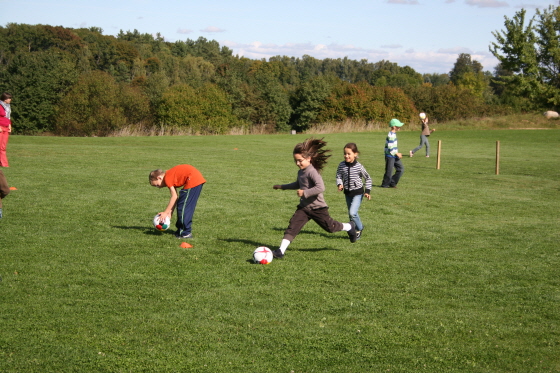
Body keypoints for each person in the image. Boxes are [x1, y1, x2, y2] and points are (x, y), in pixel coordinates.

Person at [272, 137, 358, 259]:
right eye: (295, 161)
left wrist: (305, 193)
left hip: (318, 208)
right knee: (293, 227)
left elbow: (321, 187)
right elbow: (298, 184)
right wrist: (282, 187)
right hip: (304, 208)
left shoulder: (312, 172)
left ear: (308, 158)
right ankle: (280, 251)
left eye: (300, 161)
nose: (297, 163)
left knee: (330, 228)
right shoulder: (301, 172)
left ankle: (349, 226)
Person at [149, 165, 206, 239]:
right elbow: (175, 198)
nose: (158, 187)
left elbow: (174, 197)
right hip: (194, 180)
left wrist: (165, 212)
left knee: (184, 208)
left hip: (193, 181)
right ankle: (180, 231)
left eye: (157, 185)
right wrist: (170, 214)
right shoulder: (169, 176)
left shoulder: (167, 178)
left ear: (159, 178)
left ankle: (185, 233)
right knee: (181, 205)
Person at [336, 143, 372, 240]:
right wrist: (339, 184)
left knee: (353, 213)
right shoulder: (341, 165)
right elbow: (339, 175)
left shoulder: (359, 166)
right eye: (345, 153)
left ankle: (359, 228)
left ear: (355, 154)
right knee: (350, 214)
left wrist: (367, 191)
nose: (346, 156)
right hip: (347, 193)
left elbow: (368, 178)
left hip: (358, 193)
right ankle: (355, 232)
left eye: (349, 154)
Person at [380, 119, 405, 188]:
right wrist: (397, 153)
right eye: (398, 126)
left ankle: (392, 182)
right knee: (389, 171)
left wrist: (396, 154)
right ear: (394, 126)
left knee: (401, 169)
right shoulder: (390, 135)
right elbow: (390, 147)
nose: (399, 127)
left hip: (394, 155)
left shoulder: (394, 134)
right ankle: (385, 184)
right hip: (390, 156)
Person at [0, 92, 13, 168]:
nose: (10, 100)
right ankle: (3, 163)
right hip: (0, 127)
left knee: (3, 147)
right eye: (9, 98)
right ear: (5, 99)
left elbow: (8, 117)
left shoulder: (8, 106)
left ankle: (4, 163)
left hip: (6, 127)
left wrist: (9, 125)